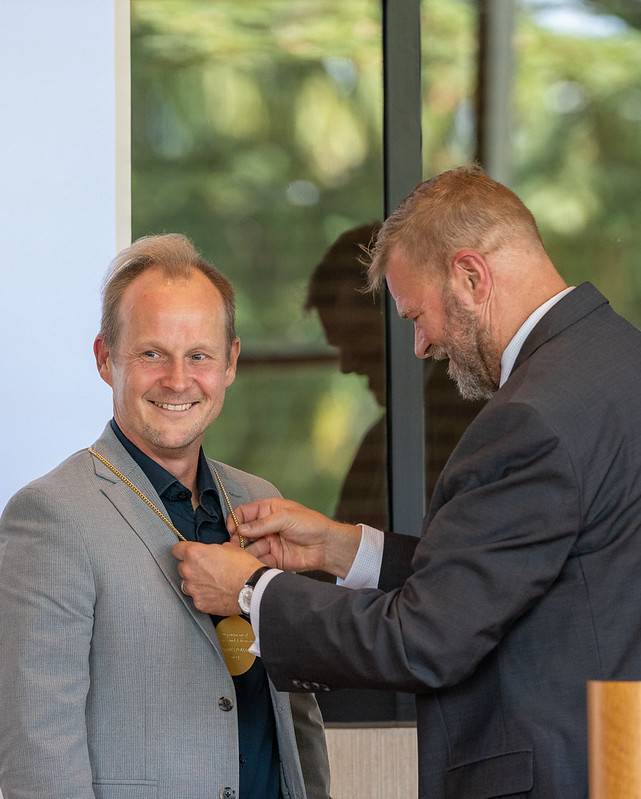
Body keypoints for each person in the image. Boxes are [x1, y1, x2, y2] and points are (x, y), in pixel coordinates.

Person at [172, 166, 641, 798]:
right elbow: (522, 576)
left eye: (418, 315)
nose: (419, 346)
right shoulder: (619, 362)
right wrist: (346, 549)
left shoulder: (530, 417)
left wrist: (254, 591)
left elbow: (426, 639)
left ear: (471, 277)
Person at [0, 234, 329, 799]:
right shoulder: (49, 516)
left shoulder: (259, 501)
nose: (178, 380)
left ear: (230, 363)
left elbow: (296, 719)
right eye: (152, 353)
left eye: (199, 355)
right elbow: (38, 758)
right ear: (106, 359)